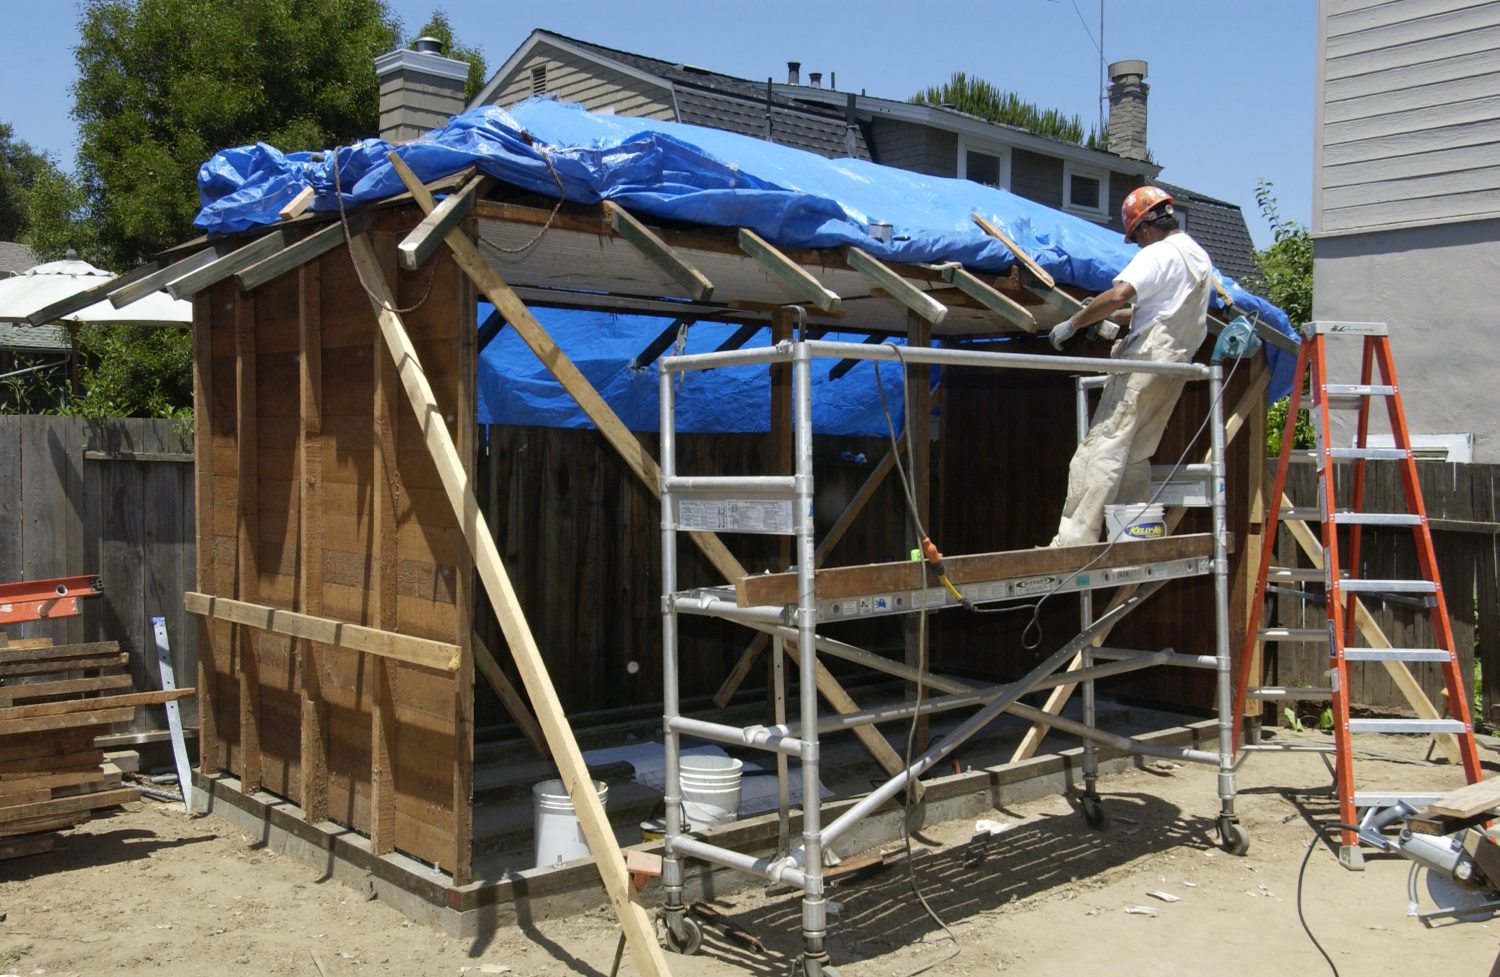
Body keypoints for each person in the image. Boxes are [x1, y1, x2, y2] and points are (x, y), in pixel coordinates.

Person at [1046, 185, 1213, 547]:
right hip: (1174, 368)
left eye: (1136, 236)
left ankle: (1074, 541)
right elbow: (1155, 309)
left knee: (1102, 446)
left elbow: (1121, 293)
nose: (1137, 244)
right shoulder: (1197, 256)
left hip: (1146, 362)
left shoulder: (1157, 254)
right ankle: (1131, 535)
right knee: (1136, 453)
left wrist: (1075, 322)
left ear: (1146, 226)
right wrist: (1108, 316)